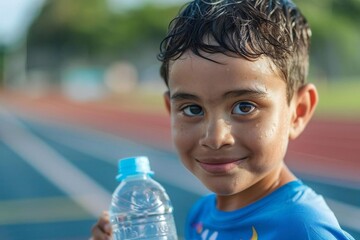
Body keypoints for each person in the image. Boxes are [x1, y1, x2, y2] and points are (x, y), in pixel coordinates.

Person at [91, 0, 355, 239]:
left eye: (244, 107)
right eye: (193, 109)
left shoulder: (304, 229)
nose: (216, 138)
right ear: (170, 110)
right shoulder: (201, 214)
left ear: (298, 112)